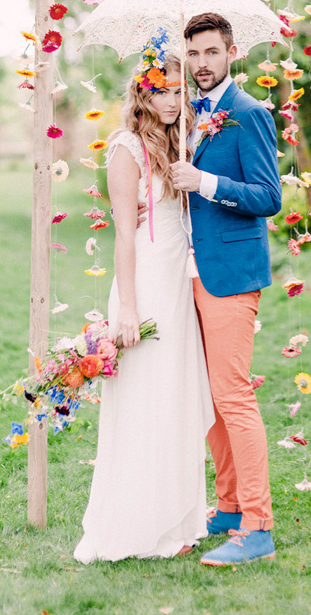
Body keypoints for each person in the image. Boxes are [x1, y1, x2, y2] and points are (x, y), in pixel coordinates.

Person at [73, 35, 214, 563]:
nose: (174, 101)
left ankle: (179, 518)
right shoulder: (126, 147)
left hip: (180, 280)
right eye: (163, 91)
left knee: (175, 394)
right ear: (143, 93)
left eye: (179, 91)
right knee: (144, 399)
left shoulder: (185, 141)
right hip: (144, 282)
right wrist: (126, 308)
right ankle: (137, 521)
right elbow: (125, 235)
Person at [171, 12, 282, 566]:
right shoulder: (192, 116)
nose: (201, 64)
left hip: (232, 277)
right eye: (193, 54)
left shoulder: (249, 113)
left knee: (234, 397)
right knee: (211, 400)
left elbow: (268, 196)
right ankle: (231, 506)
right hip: (190, 272)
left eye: (211, 53)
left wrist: (205, 182)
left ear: (232, 53)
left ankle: (258, 526)